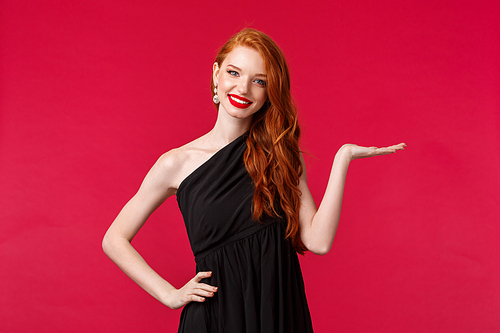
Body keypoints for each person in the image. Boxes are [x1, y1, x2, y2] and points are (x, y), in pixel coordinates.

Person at [102, 28, 406, 332]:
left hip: (277, 312)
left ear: (269, 92)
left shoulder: (281, 155)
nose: (244, 88)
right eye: (234, 72)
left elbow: (318, 241)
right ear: (216, 75)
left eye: (259, 81)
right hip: (216, 317)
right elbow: (114, 239)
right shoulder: (176, 163)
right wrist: (169, 294)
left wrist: (343, 158)